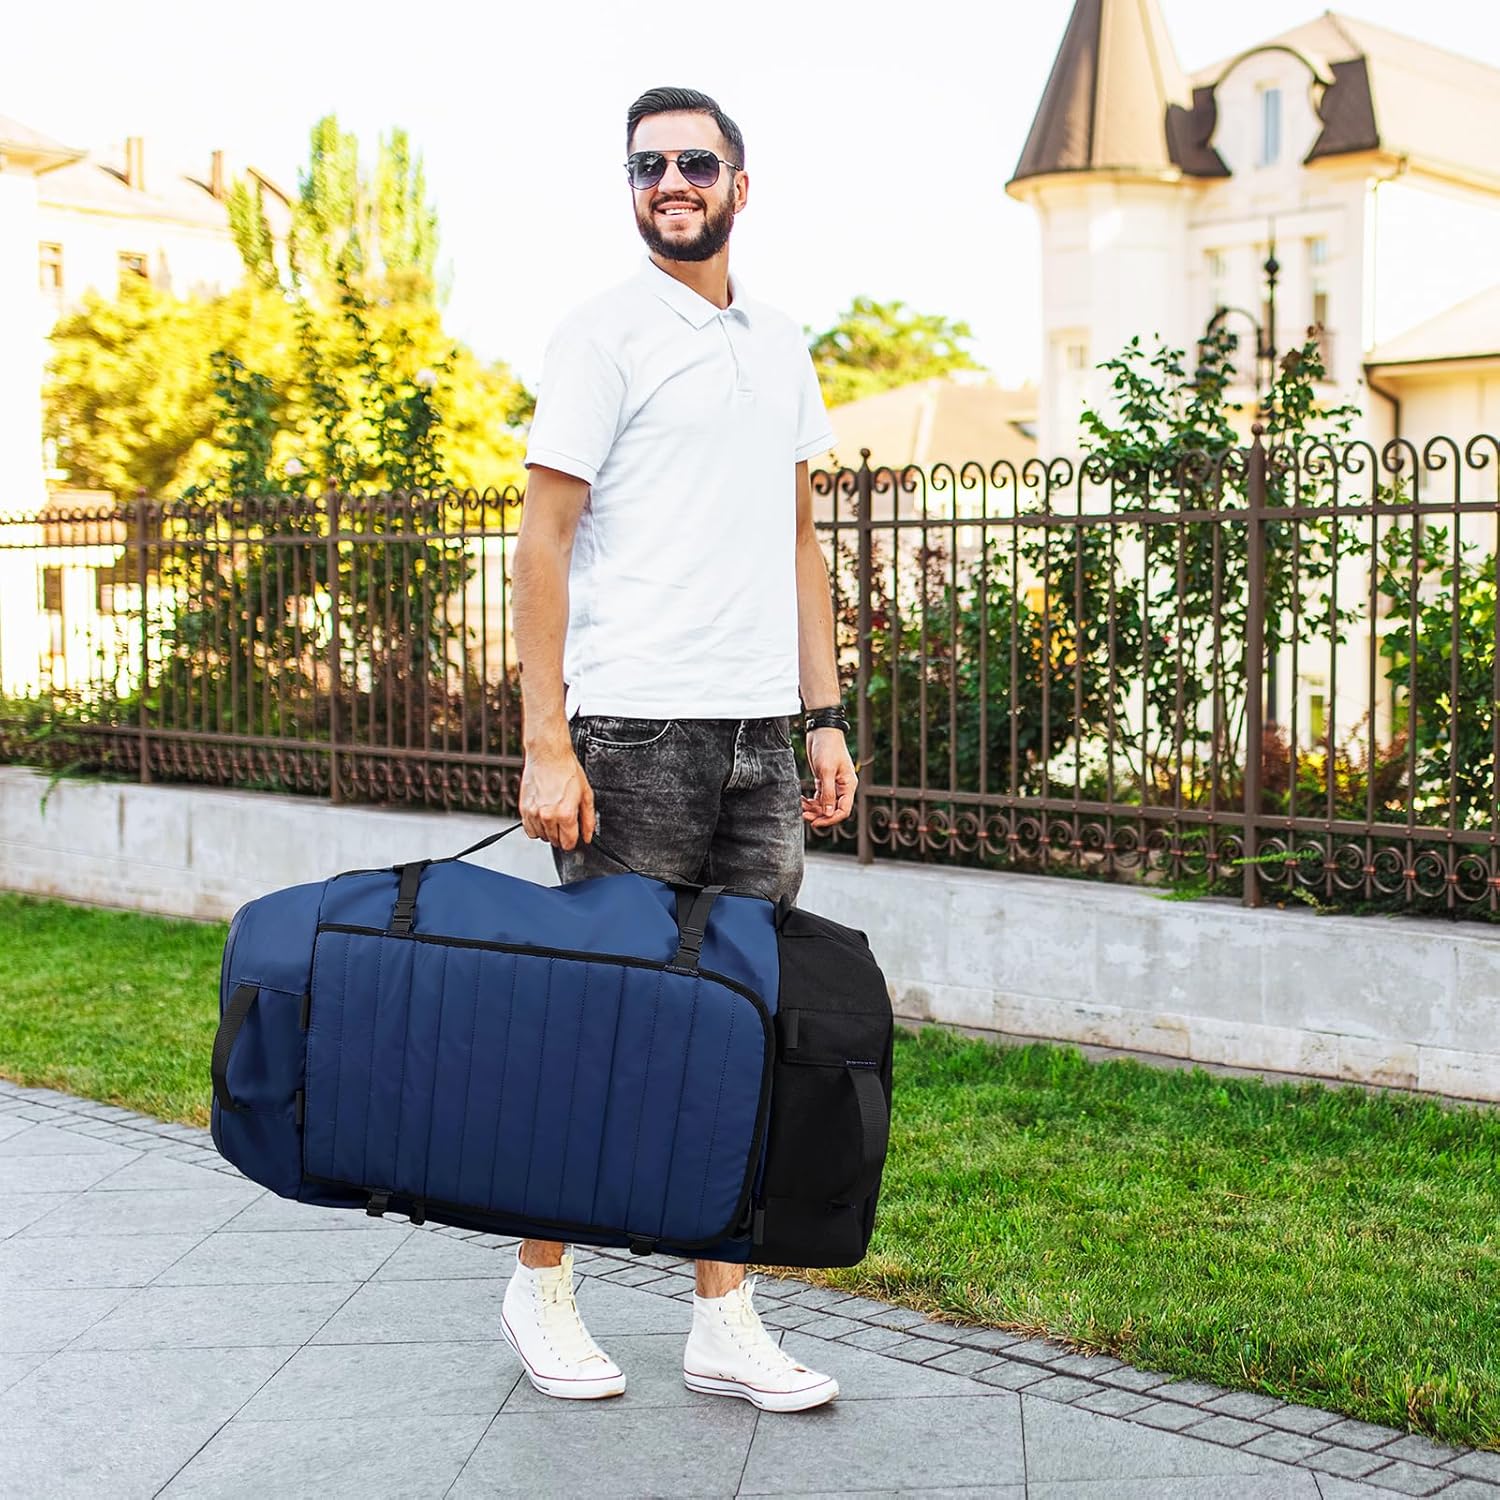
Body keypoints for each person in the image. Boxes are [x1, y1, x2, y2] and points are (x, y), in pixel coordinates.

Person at [504, 84, 858, 1413]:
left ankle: (722, 1319)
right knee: (610, 1024)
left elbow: (800, 542)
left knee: (738, 1030)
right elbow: (541, 544)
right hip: (631, 732)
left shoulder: (782, 342)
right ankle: (541, 1285)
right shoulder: (600, 335)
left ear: (739, 185)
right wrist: (547, 741)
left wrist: (823, 714)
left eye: (694, 161)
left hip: (760, 735)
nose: (670, 181)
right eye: (647, 164)